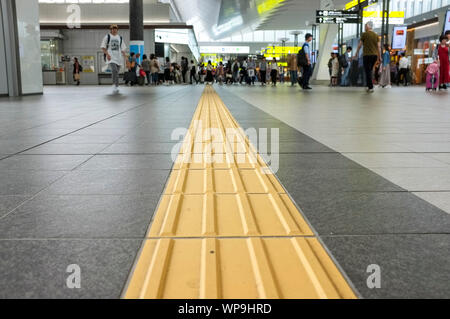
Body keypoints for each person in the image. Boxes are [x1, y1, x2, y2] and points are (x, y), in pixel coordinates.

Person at [354, 21, 381, 93]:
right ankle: (369, 86)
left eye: (365, 26)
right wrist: (379, 56)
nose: (364, 27)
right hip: (374, 56)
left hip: (367, 55)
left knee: (367, 71)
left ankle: (370, 87)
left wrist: (356, 53)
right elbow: (379, 47)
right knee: (370, 70)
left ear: (368, 26)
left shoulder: (364, 34)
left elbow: (360, 45)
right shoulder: (376, 35)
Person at [101, 24, 127, 94]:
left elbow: (123, 49)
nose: (114, 30)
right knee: (114, 70)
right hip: (111, 57)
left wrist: (125, 57)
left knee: (116, 73)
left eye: (115, 29)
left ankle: (115, 85)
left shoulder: (120, 38)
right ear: (111, 30)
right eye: (112, 29)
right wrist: (107, 55)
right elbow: (103, 47)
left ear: (117, 30)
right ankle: (115, 85)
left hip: (118, 58)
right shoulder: (107, 37)